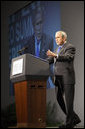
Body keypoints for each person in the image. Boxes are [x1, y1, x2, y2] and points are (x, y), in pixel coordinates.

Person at [46, 31, 81, 128]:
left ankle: (69, 124)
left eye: (58, 37)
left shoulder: (70, 47)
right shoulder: (57, 49)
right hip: (58, 78)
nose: (56, 39)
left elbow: (68, 57)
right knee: (59, 99)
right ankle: (75, 118)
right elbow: (50, 60)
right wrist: (38, 61)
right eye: (55, 37)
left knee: (69, 101)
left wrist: (55, 55)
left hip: (67, 77)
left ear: (64, 38)